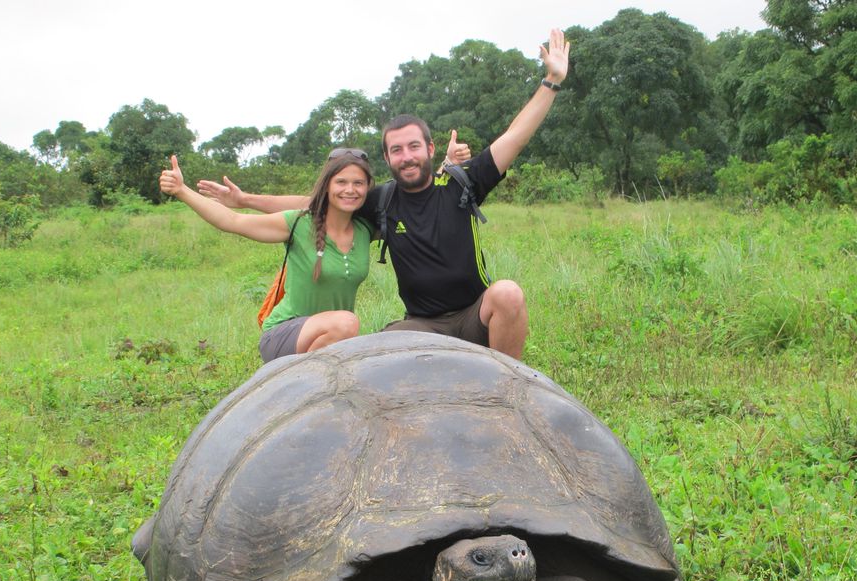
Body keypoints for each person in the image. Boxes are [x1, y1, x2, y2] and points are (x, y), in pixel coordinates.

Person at [197, 28, 570, 360]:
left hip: (475, 315)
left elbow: (514, 138)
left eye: (412, 147)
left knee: (508, 293)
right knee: (375, 355)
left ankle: (508, 389)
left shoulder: (462, 182)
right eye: (396, 150)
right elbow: (316, 205)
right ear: (388, 158)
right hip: (421, 325)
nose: (405, 157)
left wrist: (550, 82)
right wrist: (246, 200)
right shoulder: (382, 200)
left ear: (428, 148)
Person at [159, 148, 375, 361]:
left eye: (358, 183)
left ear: (368, 188)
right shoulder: (298, 224)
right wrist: (182, 190)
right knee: (347, 323)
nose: (350, 190)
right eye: (341, 182)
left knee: (347, 328)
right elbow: (232, 221)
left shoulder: (365, 230)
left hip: (334, 337)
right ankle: (299, 382)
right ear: (327, 186)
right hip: (285, 333)